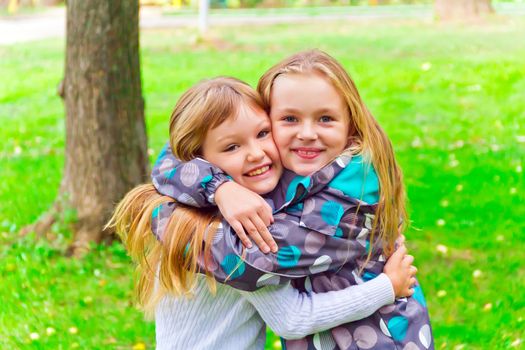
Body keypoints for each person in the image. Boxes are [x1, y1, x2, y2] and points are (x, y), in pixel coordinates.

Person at [108, 76, 416, 350]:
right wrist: (387, 287)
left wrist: (221, 188)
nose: (256, 153)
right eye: (231, 148)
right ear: (200, 161)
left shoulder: (191, 202)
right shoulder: (231, 231)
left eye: (263, 133)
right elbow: (292, 319)